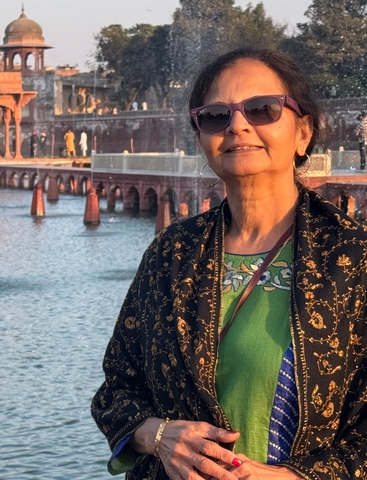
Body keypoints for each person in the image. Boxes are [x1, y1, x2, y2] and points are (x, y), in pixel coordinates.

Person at [92, 47, 367, 480]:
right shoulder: (174, 254)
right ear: (202, 137)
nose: (238, 125)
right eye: (216, 115)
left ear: (302, 132)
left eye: (262, 109)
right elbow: (117, 391)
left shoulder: (351, 257)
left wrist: (293, 477)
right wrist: (160, 435)